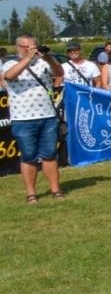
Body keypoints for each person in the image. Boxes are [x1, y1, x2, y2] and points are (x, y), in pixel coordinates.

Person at [2, 34, 64, 203]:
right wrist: (28, 58)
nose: (31, 50)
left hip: (47, 116)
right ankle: (31, 194)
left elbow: (59, 73)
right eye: (26, 47)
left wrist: (49, 57)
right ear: (19, 48)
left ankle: (56, 190)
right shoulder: (10, 63)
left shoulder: (43, 63)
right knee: (28, 155)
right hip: (23, 118)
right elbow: (9, 76)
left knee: (50, 154)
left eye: (33, 46)